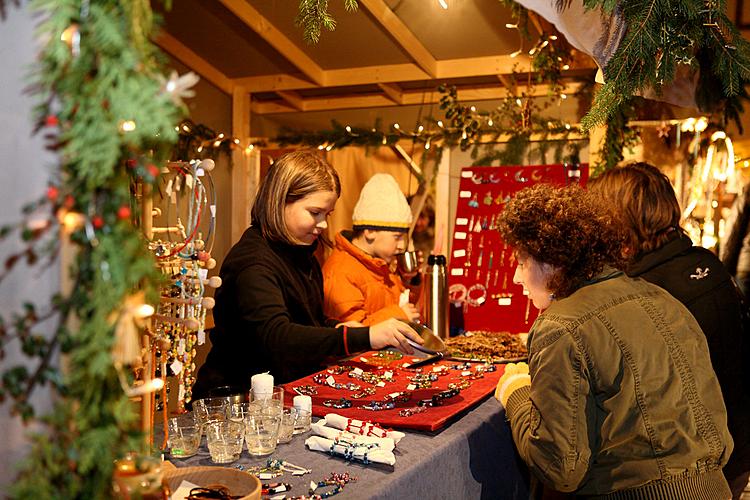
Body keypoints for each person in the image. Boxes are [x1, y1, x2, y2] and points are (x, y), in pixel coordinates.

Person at [494, 183, 734, 498]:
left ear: (551, 260)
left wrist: (517, 394)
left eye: (522, 261)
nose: (517, 277)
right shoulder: (661, 298)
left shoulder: (559, 327)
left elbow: (559, 467)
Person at [192, 151, 421, 400]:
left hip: (283, 396)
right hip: (235, 404)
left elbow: (306, 322)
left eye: (327, 214)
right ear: (280, 202)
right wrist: (364, 336)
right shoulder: (253, 262)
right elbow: (278, 337)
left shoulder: (302, 255)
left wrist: (338, 328)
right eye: (315, 212)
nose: (323, 224)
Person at [588, 162, 750, 498]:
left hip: (693, 473)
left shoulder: (646, 292)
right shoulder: (705, 263)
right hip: (734, 452)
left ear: (615, 219)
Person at [323, 173, 421, 325]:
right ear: (370, 232)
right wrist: (399, 315)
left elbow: (404, 304)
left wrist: (411, 280)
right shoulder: (340, 272)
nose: (402, 245)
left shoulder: (379, 265)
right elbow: (351, 333)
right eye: (397, 237)